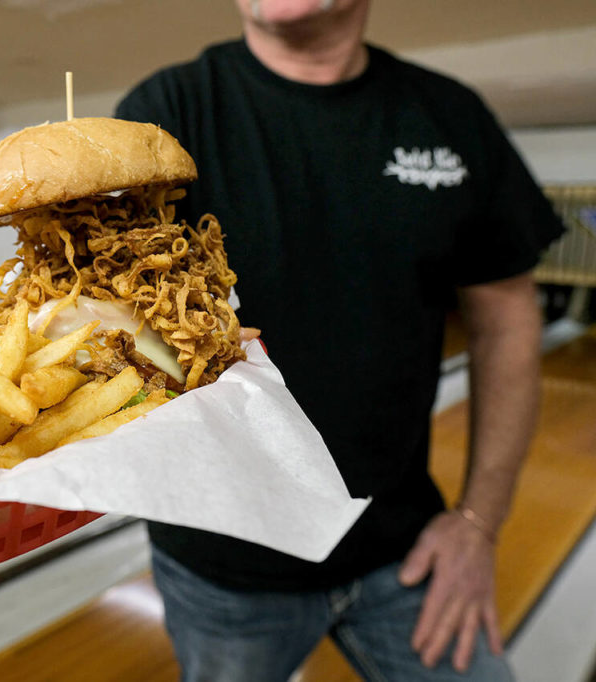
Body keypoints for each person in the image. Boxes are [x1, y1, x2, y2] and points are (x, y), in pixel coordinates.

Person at [114, 1, 566, 680]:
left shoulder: (449, 115)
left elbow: (506, 320)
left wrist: (480, 522)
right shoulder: (166, 109)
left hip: (407, 553)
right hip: (223, 571)